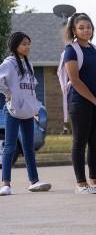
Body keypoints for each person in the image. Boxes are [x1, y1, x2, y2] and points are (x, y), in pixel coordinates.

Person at [63, 12, 96, 194]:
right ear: (74, 30)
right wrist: (94, 100)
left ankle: (94, 182)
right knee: (79, 142)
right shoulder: (71, 50)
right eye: (81, 27)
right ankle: (81, 184)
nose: (86, 30)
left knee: (95, 143)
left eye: (88, 27)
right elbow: (74, 80)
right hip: (80, 102)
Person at [0, 32, 51, 196]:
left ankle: (34, 181)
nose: (27, 46)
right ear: (15, 45)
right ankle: (6, 184)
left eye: (29, 43)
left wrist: (35, 109)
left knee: (29, 148)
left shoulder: (28, 65)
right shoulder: (9, 63)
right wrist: (8, 93)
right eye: (24, 43)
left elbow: (31, 90)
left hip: (28, 112)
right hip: (13, 111)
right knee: (9, 147)